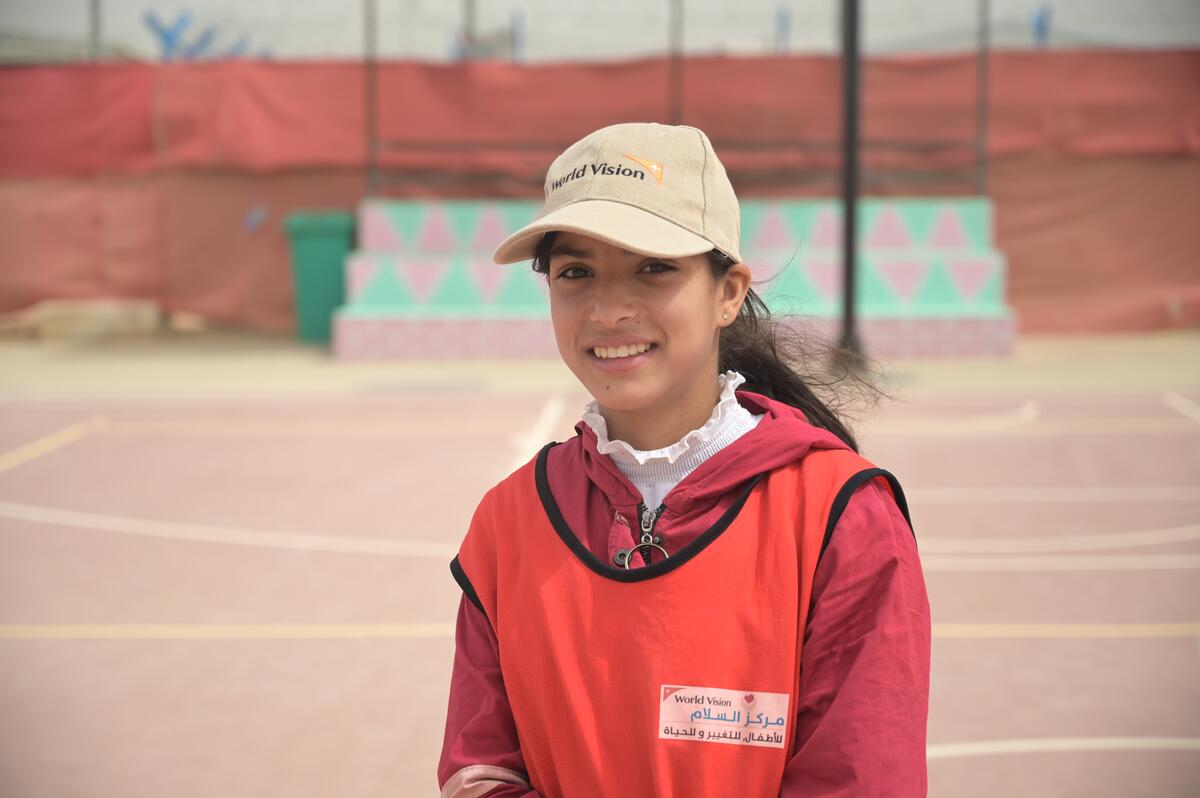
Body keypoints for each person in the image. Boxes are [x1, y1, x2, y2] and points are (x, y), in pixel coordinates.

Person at [438, 122, 930, 797]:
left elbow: (861, 776)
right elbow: (481, 770)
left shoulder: (838, 514)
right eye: (576, 272)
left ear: (728, 291)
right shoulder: (507, 522)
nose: (609, 309)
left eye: (652, 266)